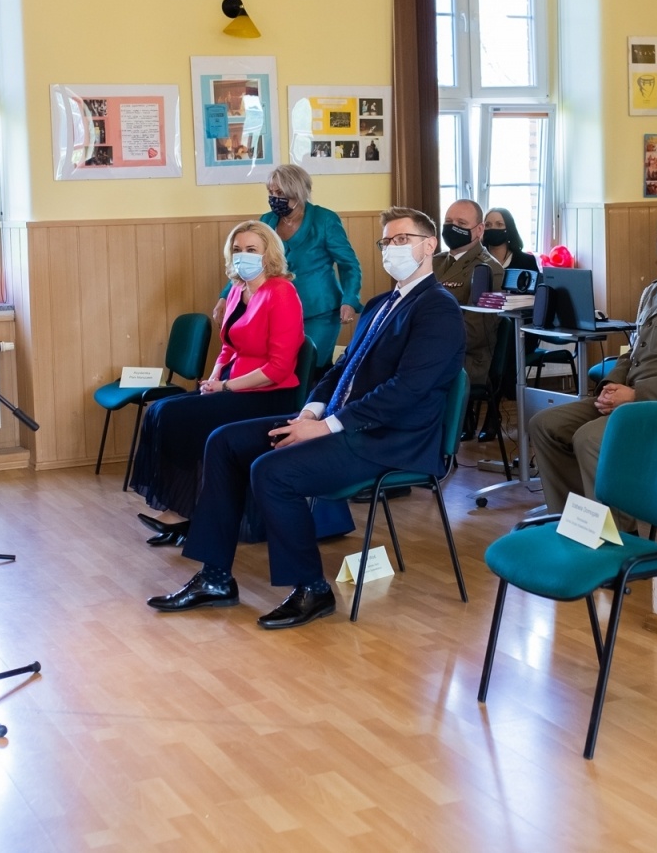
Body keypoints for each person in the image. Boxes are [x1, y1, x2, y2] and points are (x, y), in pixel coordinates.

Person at [148, 207, 465, 629]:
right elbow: (340, 369)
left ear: (429, 246)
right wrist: (311, 410)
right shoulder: (381, 303)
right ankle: (216, 577)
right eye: (386, 242)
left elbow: (407, 392)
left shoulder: (438, 310)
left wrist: (326, 426)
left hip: (390, 439)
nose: (392, 249)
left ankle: (311, 589)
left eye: (402, 239)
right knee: (224, 442)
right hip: (341, 422)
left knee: (273, 472)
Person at [527, 201, 657, 533]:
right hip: (627, 398)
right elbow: (632, 352)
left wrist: (634, 394)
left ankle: (616, 538)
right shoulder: (655, 289)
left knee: (589, 439)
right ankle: (578, 526)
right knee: (546, 424)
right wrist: (611, 385)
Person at [129, 221, 306, 547]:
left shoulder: (281, 293)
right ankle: (181, 506)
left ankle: (182, 512)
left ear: (268, 254)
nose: (243, 256)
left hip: (269, 395)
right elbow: (228, 347)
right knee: (160, 410)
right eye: (237, 250)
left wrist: (225, 388)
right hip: (233, 386)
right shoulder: (239, 289)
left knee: (177, 416)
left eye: (251, 250)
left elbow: (279, 368)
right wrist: (212, 380)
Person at [215, 164, 361, 371]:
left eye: (280, 192)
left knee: (311, 367)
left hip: (319, 310)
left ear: (297, 191)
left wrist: (350, 300)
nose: (274, 198)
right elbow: (247, 264)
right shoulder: (267, 220)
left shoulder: (325, 219)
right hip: (276, 309)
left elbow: (349, 264)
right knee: (280, 368)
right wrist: (225, 296)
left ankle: (315, 403)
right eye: (271, 192)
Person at [434, 198, 504, 389]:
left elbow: (475, 333)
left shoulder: (489, 270)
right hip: (430, 351)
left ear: (479, 230)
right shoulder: (434, 263)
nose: (452, 228)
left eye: (461, 224)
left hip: (466, 360)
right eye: (448, 223)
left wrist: (427, 343)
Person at [482, 207, 540, 273]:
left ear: (509, 228)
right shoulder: (476, 261)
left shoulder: (527, 261)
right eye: (488, 225)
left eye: (499, 224)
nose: (493, 228)